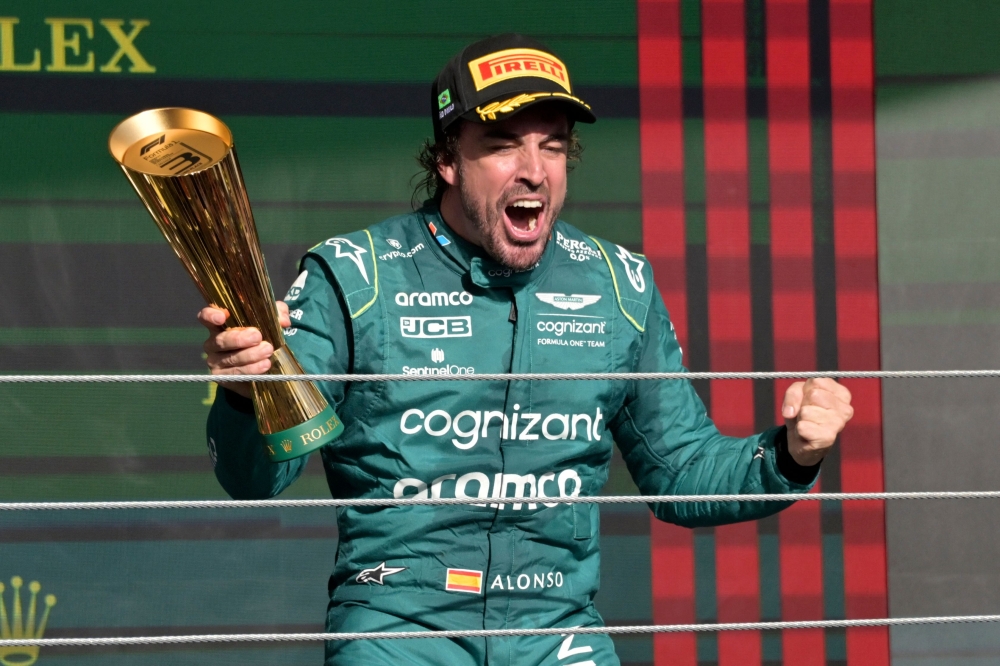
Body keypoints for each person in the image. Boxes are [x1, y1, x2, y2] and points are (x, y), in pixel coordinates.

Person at [198, 33, 853, 666]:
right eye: (504, 146)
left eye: (554, 147)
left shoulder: (618, 284)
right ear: (449, 160)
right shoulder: (356, 274)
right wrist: (240, 392)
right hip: (399, 630)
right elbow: (256, 476)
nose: (534, 171)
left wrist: (792, 454)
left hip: (557, 632)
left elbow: (681, 475)